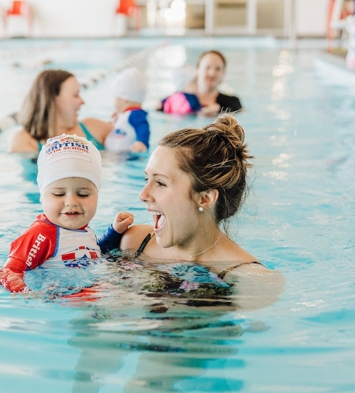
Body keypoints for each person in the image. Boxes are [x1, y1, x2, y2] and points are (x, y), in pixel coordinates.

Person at [119, 114, 281, 291]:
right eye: (146, 179)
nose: (143, 195)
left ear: (205, 198)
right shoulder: (135, 243)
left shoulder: (252, 281)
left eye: (160, 183)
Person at [0, 134, 134, 293]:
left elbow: (93, 253)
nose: (71, 202)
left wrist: (115, 231)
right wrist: (25, 293)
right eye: (59, 194)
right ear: (41, 197)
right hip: (62, 299)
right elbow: (9, 271)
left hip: (87, 292)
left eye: (83, 194)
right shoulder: (41, 234)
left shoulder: (83, 230)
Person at [9, 69, 112, 154]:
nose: (82, 101)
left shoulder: (94, 128)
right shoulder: (25, 141)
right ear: (52, 100)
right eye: (75, 95)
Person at [159, 50, 242, 117]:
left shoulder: (232, 103)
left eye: (218, 69)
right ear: (198, 70)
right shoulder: (179, 100)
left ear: (223, 73)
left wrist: (218, 113)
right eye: (207, 67)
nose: (212, 73)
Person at [104, 67, 150, 153]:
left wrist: (142, 142)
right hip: (119, 155)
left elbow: (143, 127)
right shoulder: (127, 115)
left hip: (125, 156)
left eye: (115, 98)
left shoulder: (136, 114)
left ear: (124, 98)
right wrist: (115, 122)